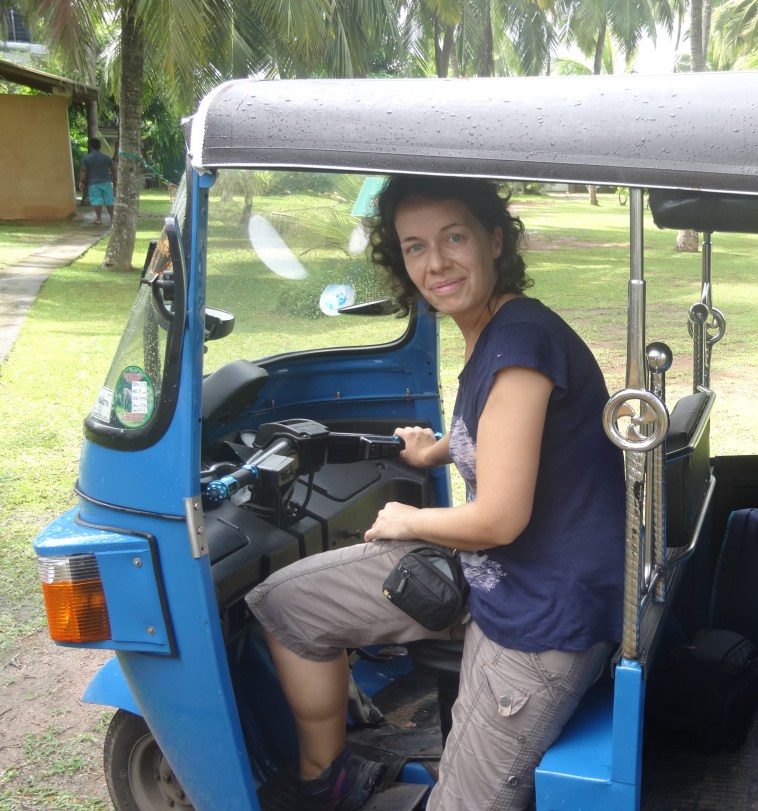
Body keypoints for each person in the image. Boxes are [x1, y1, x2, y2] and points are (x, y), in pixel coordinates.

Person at [246, 175, 624, 811]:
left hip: (543, 614)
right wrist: (436, 450)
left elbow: (499, 519)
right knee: (288, 606)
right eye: (415, 247)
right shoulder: (493, 327)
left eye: (454, 238)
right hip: (496, 575)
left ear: (494, 240)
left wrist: (410, 520)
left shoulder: (520, 344)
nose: (436, 263)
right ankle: (326, 779)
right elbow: (505, 431)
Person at [77, 137, 115, 226]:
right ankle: (113, 218)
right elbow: (113, 169)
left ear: (91, 146)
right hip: (106, 182)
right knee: (109, 200)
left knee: (96, 200)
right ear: (100, 146)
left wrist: (81, 182)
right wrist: (115, 179)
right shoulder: (107, 157)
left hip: (93, 183)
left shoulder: (86, 158)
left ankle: (98, 219)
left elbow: (84, 171)